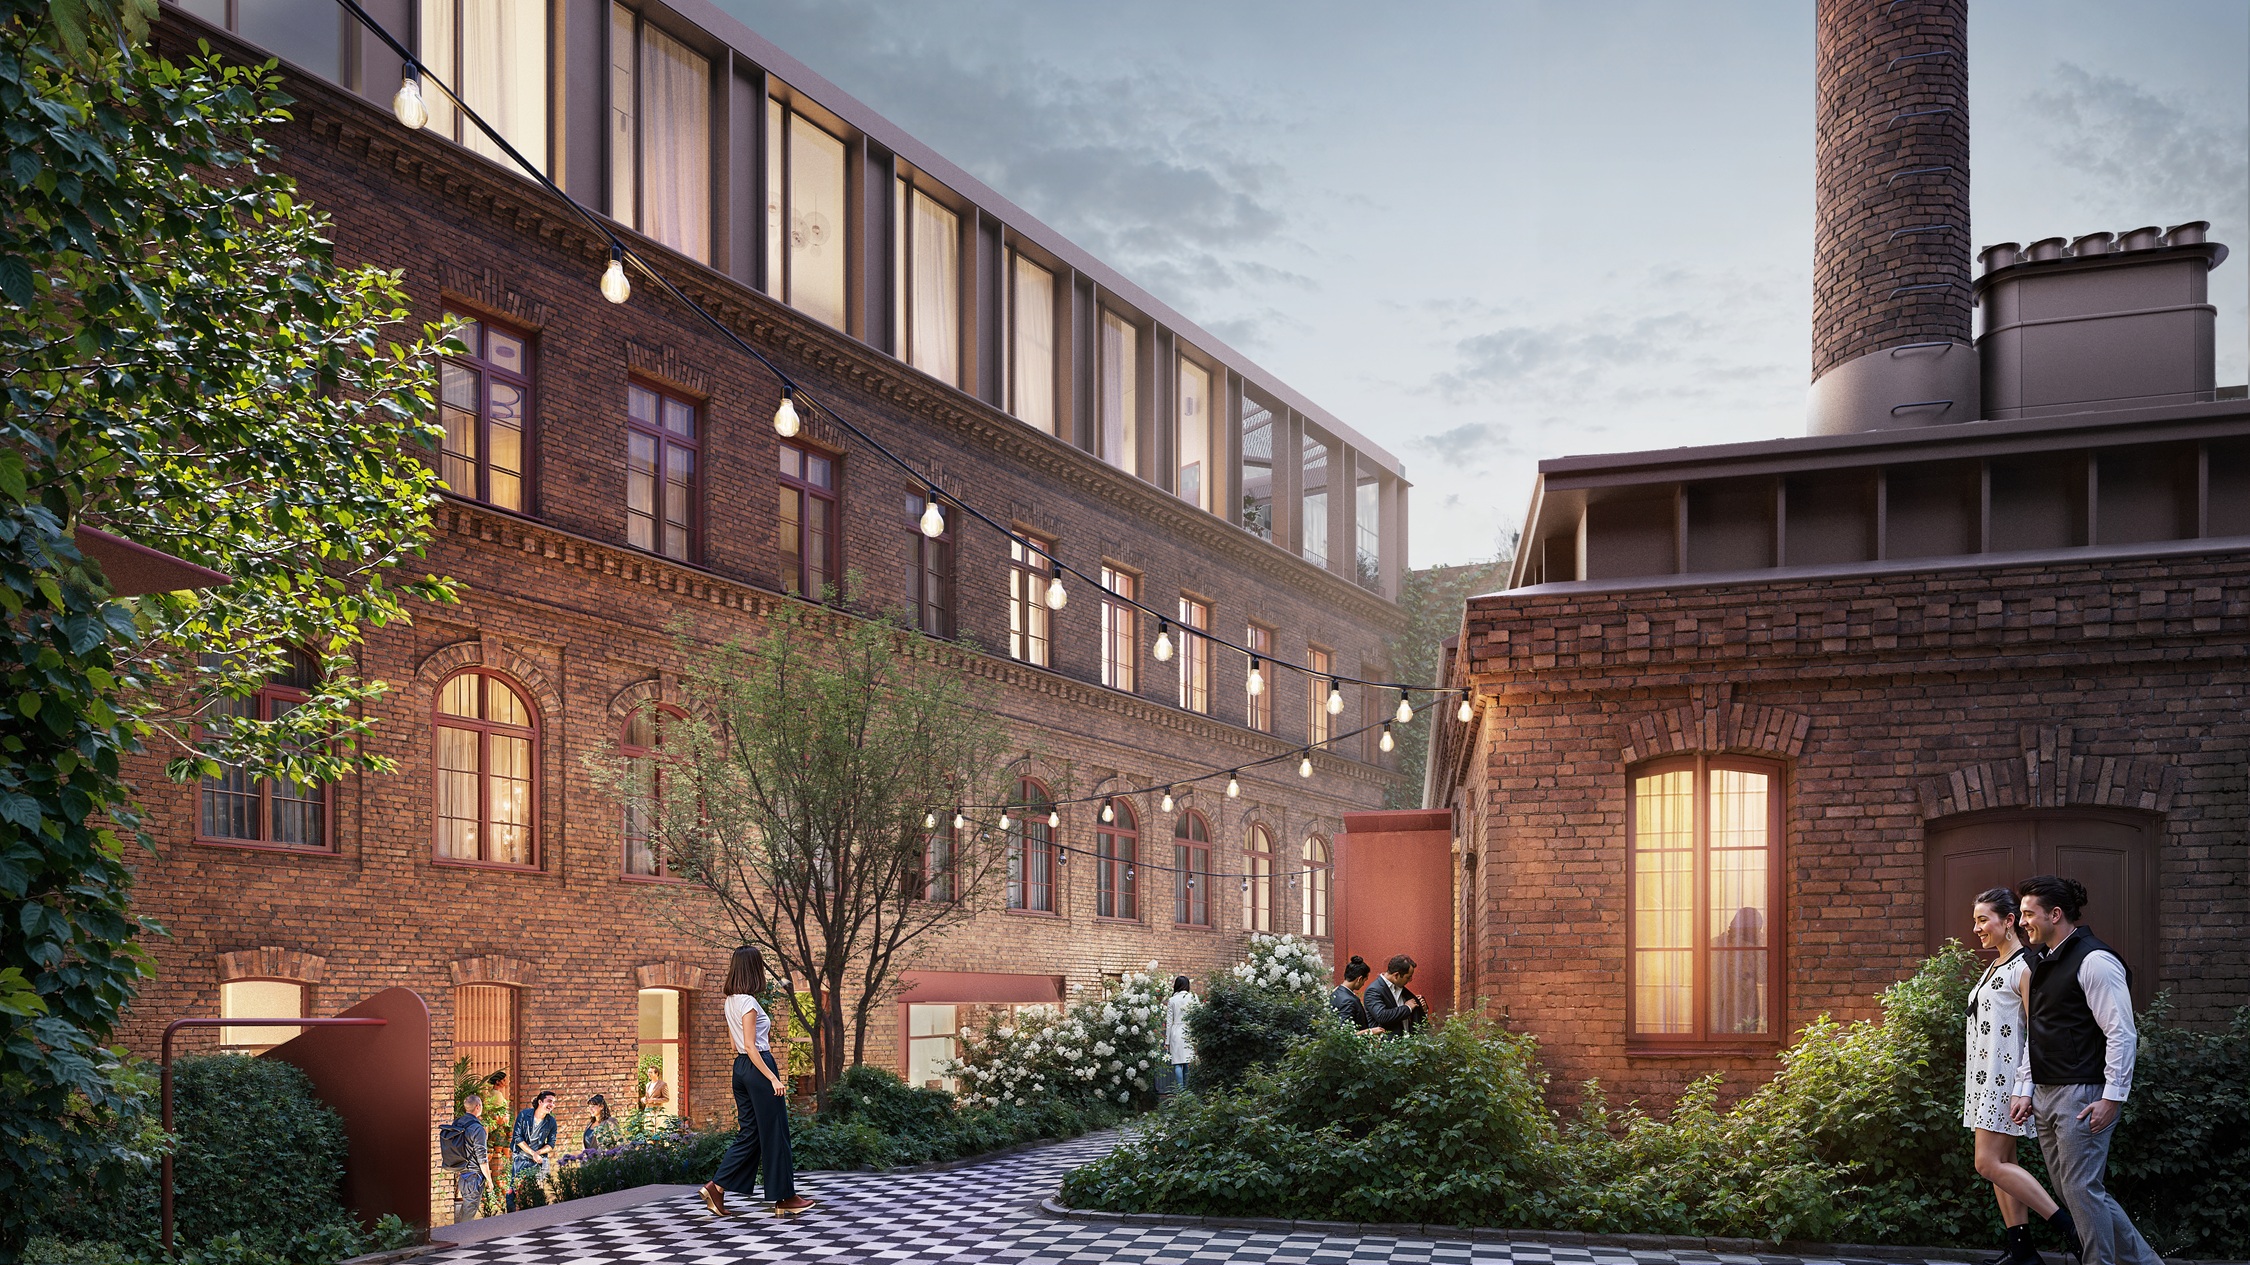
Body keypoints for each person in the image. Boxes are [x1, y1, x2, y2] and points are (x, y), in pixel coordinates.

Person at [2008, 876, 2159, 1265]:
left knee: (2080, 1188)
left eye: (2028, 914)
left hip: (2084, 1094)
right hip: (2046, 1093)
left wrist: (2112, 1097)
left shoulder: (2095, 959)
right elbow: (2037, 1032)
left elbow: (2121, 1033)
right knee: (2076, 1190)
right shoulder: (2043, 960)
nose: (2021, 922)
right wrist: (2025, 1088)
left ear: (2055, 914)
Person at [1962, 887, 2076, 1265]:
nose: (1976, 927)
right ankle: (2023, 1251)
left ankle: (2068, 1229)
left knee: (1988, 1163)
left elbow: (2038, 1031)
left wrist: (2023, 1087)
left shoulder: (2025, 967)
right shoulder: (1995, 965)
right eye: (1975, 920)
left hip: (2005, 1080)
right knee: (2002, 1164)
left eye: (1983, 919)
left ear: (2009, 921)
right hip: (1983, 1079)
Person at [701, 946, 815, 1217]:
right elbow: (752, 1046)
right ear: (754, 969)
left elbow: (736, 1044)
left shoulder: (730, 1001)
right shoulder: (749, 1003)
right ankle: (784, 1197)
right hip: (757, 1065)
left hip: (739, 1068)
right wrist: (773, 1078)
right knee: (776, 1132)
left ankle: (717, 1187)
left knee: (750, 1132)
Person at [440, 1091, 489, 1225]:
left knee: (464, 1212)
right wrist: (490, 1180)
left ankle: (459, 1237)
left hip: (462, 1176)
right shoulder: (477, 1128)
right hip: (474, 1178)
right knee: (468, 1216)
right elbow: (482, 1158)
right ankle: (462, 1243)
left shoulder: (458, 1123)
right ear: (478, 1107)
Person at [507, 1090, 559, 1211]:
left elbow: (551, 1144)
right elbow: (517, 1138)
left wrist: (538, 1153)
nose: (552, 1105)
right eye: (549, 1101)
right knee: (514, 1190)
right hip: (521, 1157)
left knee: (538, 1193)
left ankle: (536, 1220)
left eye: (554, 1102)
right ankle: (510, 1218)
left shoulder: (551, 1121)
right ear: (540, 1102)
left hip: (539, 1160)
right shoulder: (524, 1115)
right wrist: (532, 1153)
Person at [1363, 953, 1425, 1037]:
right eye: (1408, 977)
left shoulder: (1402, 989)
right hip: (1387, 1047)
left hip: (1408, 1045)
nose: (1410, 980)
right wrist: (1407, 1008)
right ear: (1396, 975)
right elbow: (1382, 1016)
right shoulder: (1373, 990)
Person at [1328, 956, 1381, 1034]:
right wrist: (1370, 1032)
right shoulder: (1348, 1001)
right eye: (1364, 980)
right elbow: (1345, 1035)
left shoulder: (1336, 993)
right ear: (1359, 979)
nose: (1363, 984)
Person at [1163, 976, 1196, 1091]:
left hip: (1176, 1032)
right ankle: (1187, 1092)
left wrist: (1167, 1041)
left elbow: (1169, 1022)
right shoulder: (1191, 997)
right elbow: (1196, 1016)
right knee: (1187, 1062)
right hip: (1188, 1032)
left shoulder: (1172, 1000)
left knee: (1177, 1063)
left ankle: (1180, 1093)